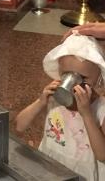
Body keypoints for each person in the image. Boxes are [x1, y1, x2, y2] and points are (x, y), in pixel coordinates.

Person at [15, 33, 105, 181]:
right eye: (66, 75)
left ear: (99, 77)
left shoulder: (101, 109)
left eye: (82, 78)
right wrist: (40, 101)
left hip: (84, 175)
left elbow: (102, 155)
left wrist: (87, 114)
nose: (74, 83)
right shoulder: (54, 100)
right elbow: (19, 126)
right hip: (51, 170)